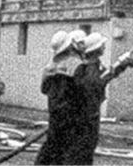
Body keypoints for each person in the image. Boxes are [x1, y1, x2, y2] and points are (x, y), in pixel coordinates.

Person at [73, 32, 133, 165]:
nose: (104, 47)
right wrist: (121, 66)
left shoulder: (90, 67)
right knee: (83, 151)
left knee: (85, 151)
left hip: (87, 115)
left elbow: (106, 76)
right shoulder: (90, 69)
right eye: (102, 45)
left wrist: (121, 66)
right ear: (96, 49)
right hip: (87, 116)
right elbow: (98, 83)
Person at [35, 29, 87, 165]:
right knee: (66, 150)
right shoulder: (75, 64)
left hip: (54, 112)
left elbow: (44, 89)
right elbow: (81, 90)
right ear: (70, 45)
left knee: (52, 145)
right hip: (70, 114)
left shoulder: (49, 67)